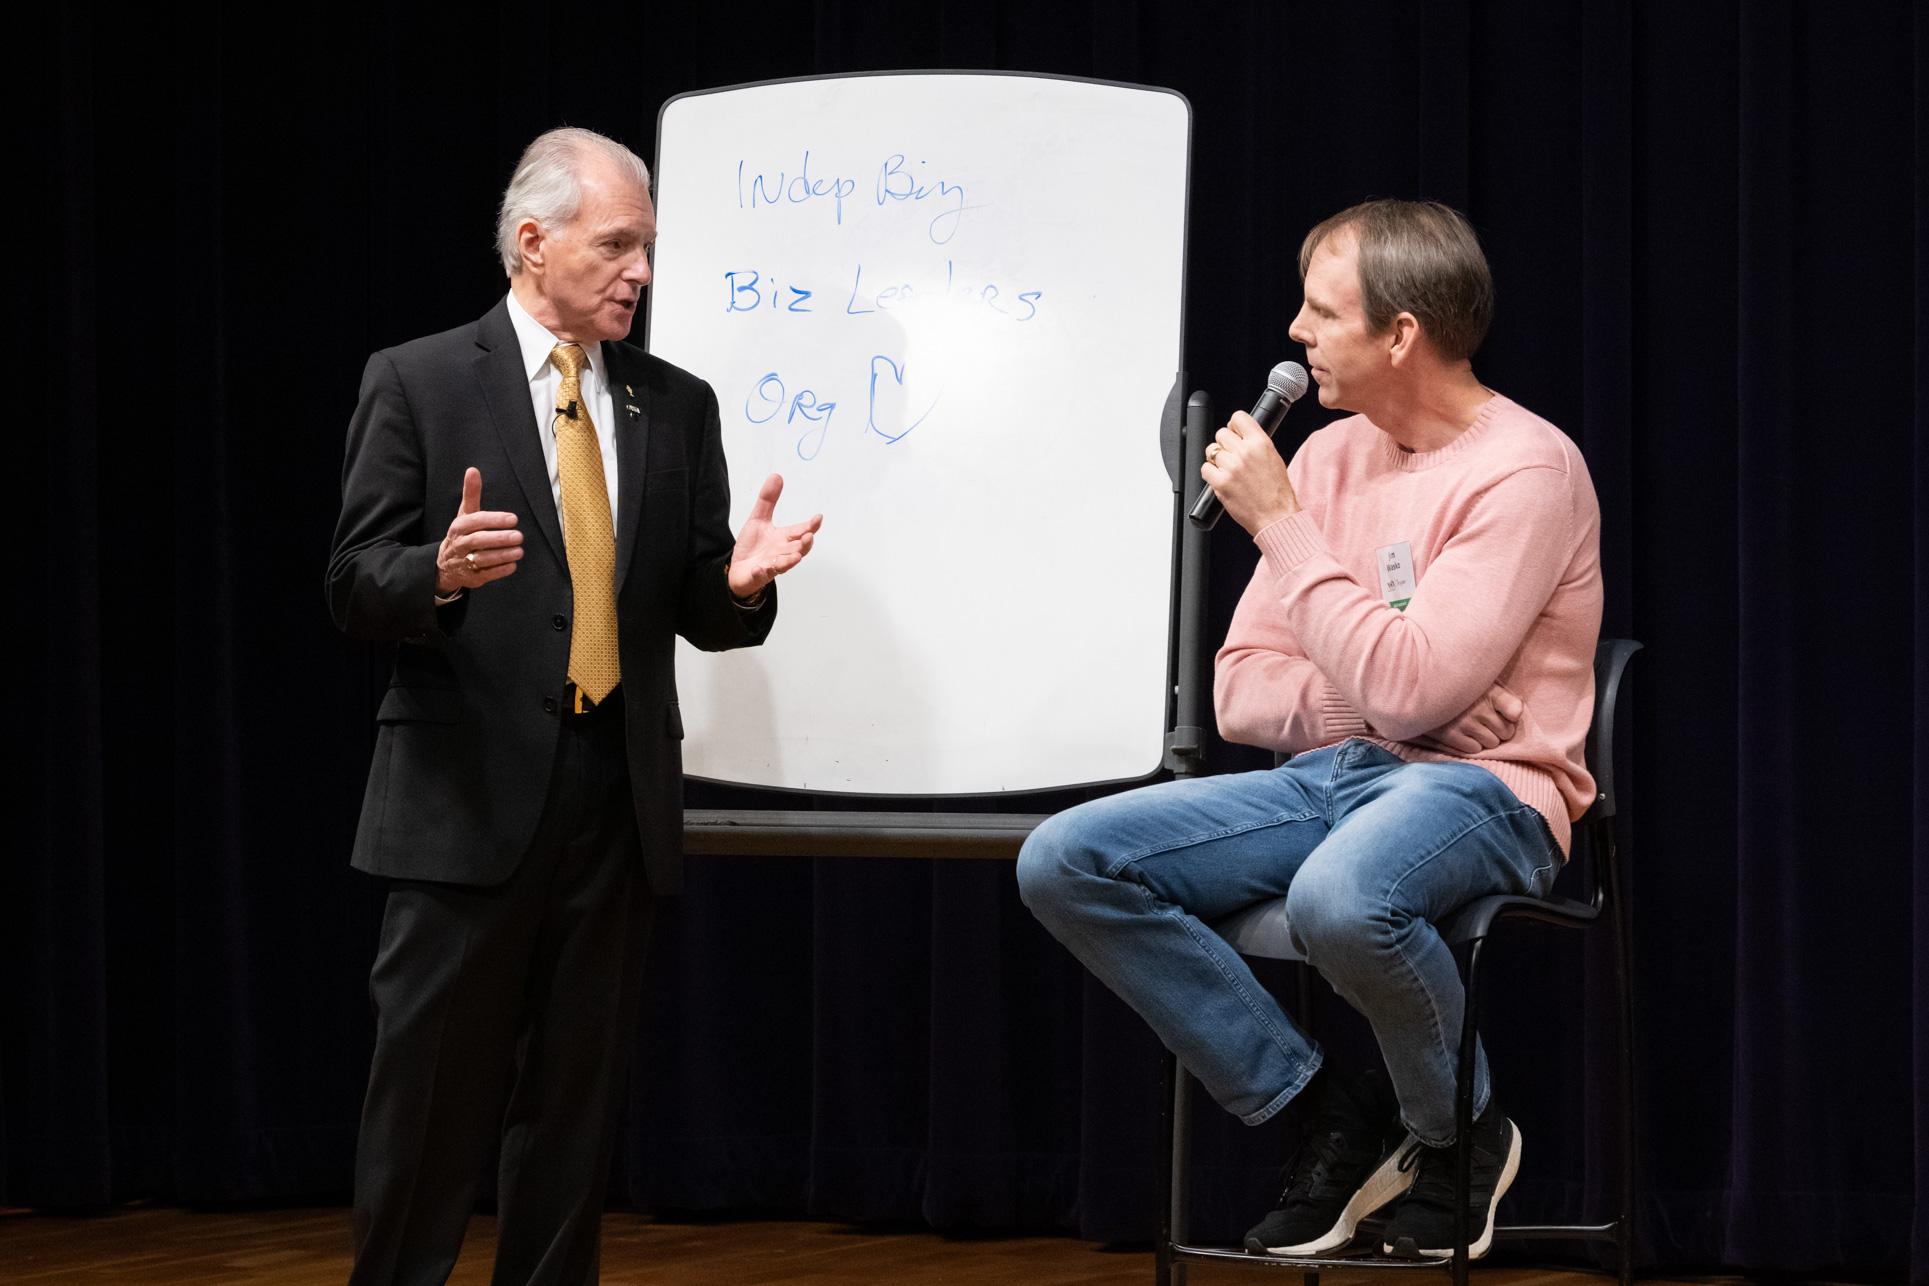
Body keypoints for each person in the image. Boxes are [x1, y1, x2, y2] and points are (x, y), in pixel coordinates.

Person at [1016, 199, 1601, 1261]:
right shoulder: (1329, 458)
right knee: (1067, 857)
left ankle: (1459, 1133)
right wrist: (1390, 691)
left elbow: (1420, 695)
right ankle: (1325, 1103)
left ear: (1401, 335)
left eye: (1322, 312)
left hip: (1490, 785)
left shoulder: (1525, 468)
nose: (1294, 331)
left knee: (1343, 894)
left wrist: (1280, 528)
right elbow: (1242, 688)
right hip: (1337, 774)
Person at [326, 126, 822, 1285]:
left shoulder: (674, 404)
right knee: (428, 1110)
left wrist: (741, 582)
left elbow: (700, 601)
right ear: (533, 240)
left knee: (572, 1112)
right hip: (464, 804)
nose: (639, 270)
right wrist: (435, 571)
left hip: (616, 801)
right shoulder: (417, 379)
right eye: (616, 244)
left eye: (648, 247)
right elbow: (354, 579)